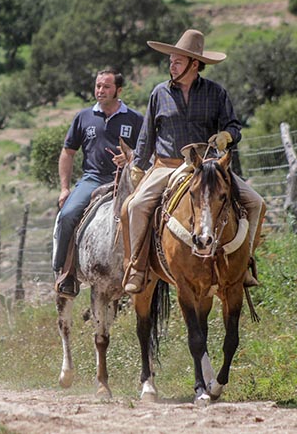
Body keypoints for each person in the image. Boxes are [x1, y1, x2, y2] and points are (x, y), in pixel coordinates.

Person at [122, 29, 265, 294]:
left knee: (257, 202)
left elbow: (234, 126)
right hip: (167, 165)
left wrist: (226, 136)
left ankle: (245, 262)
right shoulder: (159, 93)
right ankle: (137, 267)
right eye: (171, 61)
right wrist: (139, 166)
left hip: (208, 167)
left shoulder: (216, 93)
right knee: (135, 206)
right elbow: (147, 134)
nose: (171, 65)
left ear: (194, 64)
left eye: (177, 61)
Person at [53, 69, 143, 299]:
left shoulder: (135, 119)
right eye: (98, 86)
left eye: (106, 87)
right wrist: (65, 188)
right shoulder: (84, 117)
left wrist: (130, 157)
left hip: (127, 181)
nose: (100, 91)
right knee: (67, 214)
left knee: (153, 214)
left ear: (119, 91)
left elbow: (148, 152)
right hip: (92, 179)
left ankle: (152, 271)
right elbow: (68, 153)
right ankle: (65, 273)